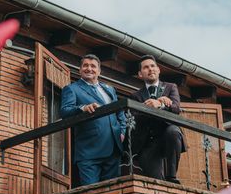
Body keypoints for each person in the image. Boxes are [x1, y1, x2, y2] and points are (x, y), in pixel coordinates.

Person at [60, 54, 126, 186]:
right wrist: (83, 108)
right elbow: (65, 111)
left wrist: (122, 131)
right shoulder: (72, 89)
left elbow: (120, 113)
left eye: (93, 66)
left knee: (112, 193)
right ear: (79, 70)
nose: (89, 69)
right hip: (89, 151)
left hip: (113, 149)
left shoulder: (110, 89)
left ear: (99, 71)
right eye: (85, 65)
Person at [131, 55, 186, 183]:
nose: (150, 69)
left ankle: (172, 177)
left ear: (158, 69)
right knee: (157, 183)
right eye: (146, 67)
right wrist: (150, 106)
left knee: (173, 131)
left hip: (169, 136)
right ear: (140, 74)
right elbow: (135, 117)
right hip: (148, 142)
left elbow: (176, 108)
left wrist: (160, 105)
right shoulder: (135, 96)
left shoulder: (170, 87)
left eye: (152, 66)